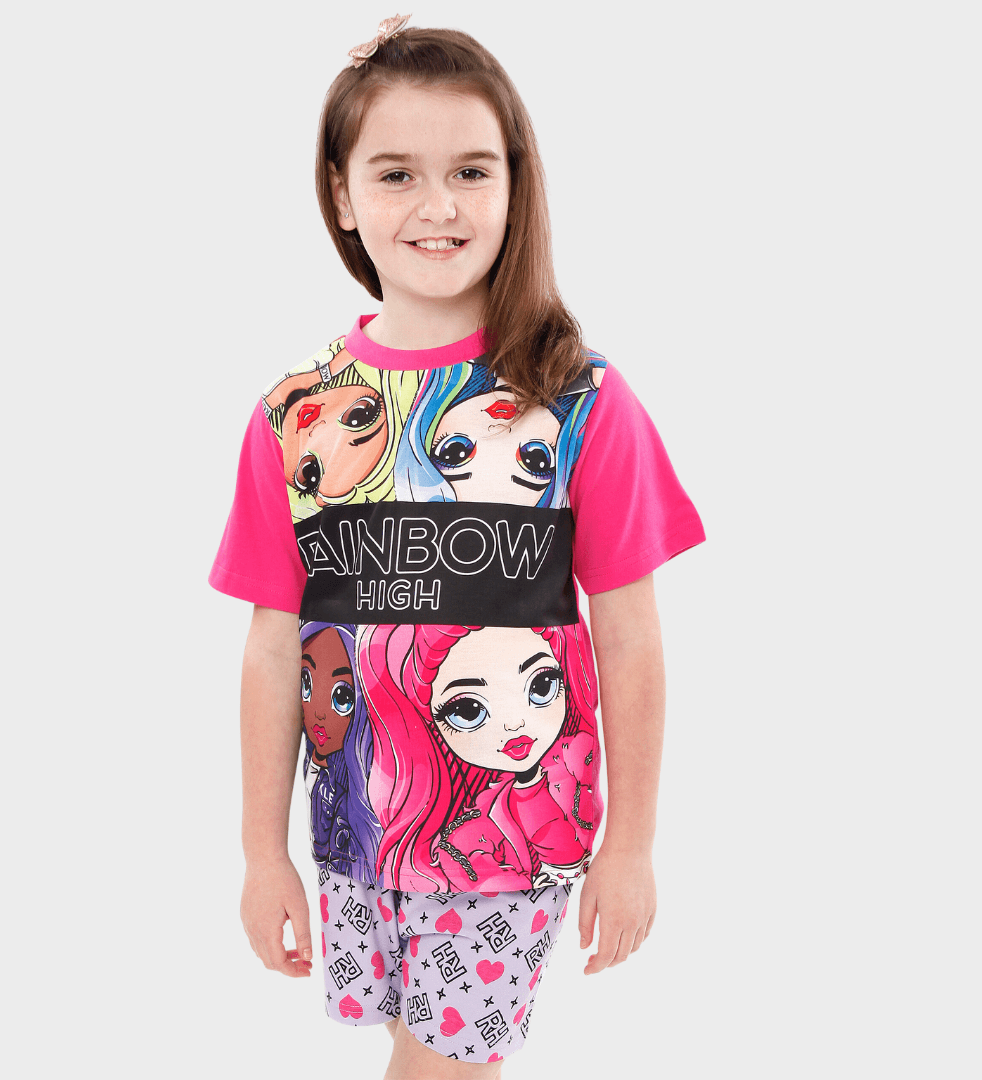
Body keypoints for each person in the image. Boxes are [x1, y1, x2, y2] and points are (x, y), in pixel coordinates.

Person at [208, 15, 705, 1078]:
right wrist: (261, 851)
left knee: (444, 1069)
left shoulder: (580, 399)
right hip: (356, 830)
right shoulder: (297, 412)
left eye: (471, 171)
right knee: (416, 1054)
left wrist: (632, 843)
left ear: (515, 186)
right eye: (396, 174)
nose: (438, 206)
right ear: (343, 194)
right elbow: (273, 645)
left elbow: (630, 636)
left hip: (508, 833)